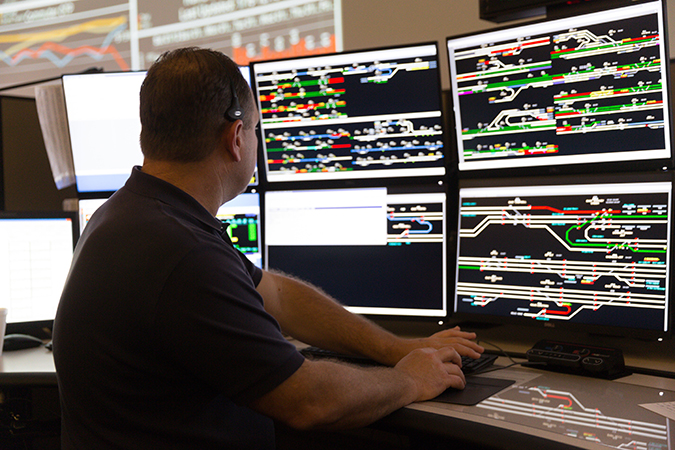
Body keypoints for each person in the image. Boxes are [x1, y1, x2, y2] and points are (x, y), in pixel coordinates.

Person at [52, 47, 484, 450]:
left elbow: (277, 294)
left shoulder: (137, 213)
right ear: (236, 137)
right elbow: (310, 401)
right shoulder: (181, 252)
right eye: (257, 131)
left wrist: (395, 348)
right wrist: (409, 379)